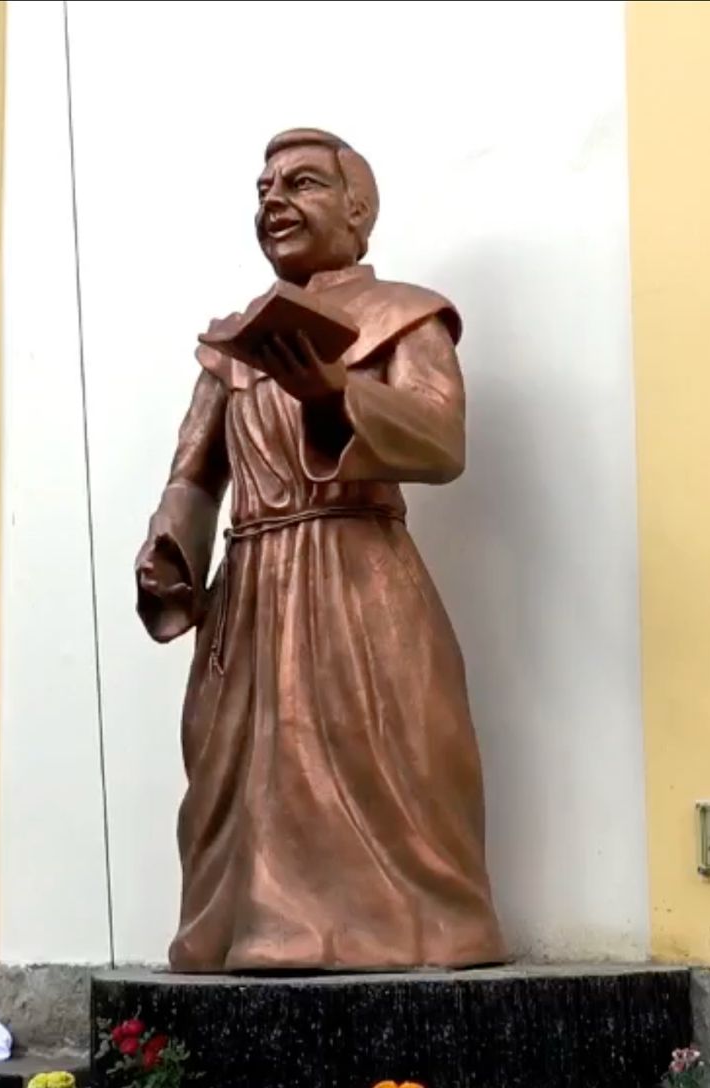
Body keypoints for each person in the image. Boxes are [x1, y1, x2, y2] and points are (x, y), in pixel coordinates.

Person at [134, 128, 507, 973]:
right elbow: (194, 474)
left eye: (301, 183)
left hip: (357, 572)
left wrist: (337, 394)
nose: (274, 200)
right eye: (264, 188)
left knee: (390, 761)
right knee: (240, 777)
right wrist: (170, 547)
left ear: (357, 211)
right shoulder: (231, 346)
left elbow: (442, 441)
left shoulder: (405, 315)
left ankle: (419, 926)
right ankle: (251, 927)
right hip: (253, 590)